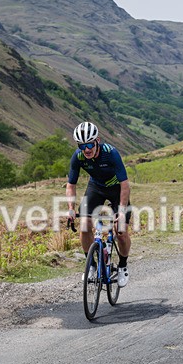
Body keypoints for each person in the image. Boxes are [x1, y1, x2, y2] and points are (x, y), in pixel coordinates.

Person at [66, 121, 131, 287]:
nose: (86, 149)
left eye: (89, 144)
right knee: (85, 224)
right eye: (82, 145)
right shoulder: (79, 156)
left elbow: (125, 184)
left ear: (97, 141)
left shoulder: (111, 153)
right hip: (96, 187)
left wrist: (122, 211)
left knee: (121, 231)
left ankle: (123, 266)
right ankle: (92, 266)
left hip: (116, 188)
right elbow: (71, 185)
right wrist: (71, 209)